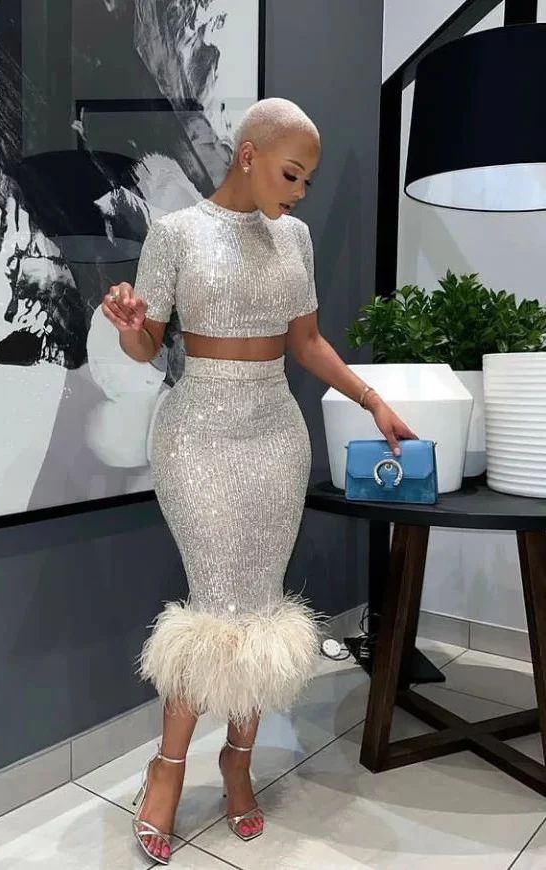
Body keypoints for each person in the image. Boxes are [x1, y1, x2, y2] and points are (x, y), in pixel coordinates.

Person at [101, 97, 416, 865]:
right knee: (217, 604)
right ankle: (166, 769)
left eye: (306, 180)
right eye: (290, 173)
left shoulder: (293, 238)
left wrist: (371, 399)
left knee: (263, 606)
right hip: (197, 436)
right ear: (248, 155)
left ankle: (237, 762)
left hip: (275, 434)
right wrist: (131, 326)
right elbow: (148, 345)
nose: (299, 192)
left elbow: (305, 341)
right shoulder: (177, 233)